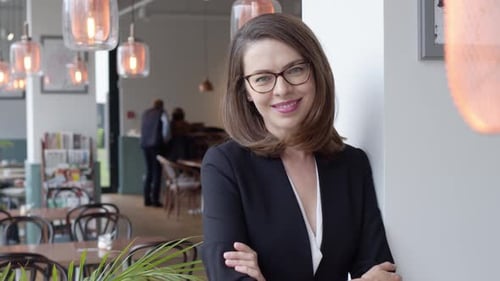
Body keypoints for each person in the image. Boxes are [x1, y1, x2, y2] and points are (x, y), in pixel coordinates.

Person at [200, 14, 401, 281]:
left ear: (316, 72)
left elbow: (382, 273)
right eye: (262, 78)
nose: (282, 89)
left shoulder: (352, 164)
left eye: (295, 70)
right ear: (246, 91)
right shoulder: (225, 166)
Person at [140, 99, 170, 207]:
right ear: (161, 105)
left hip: (145, 145)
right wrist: (165, 141)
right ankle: (155, 200)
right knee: (157, 172)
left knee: (148, 171)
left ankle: (146, 199)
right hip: (157, 146)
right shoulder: (162, 113)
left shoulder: (146, 113)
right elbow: (166, 130)